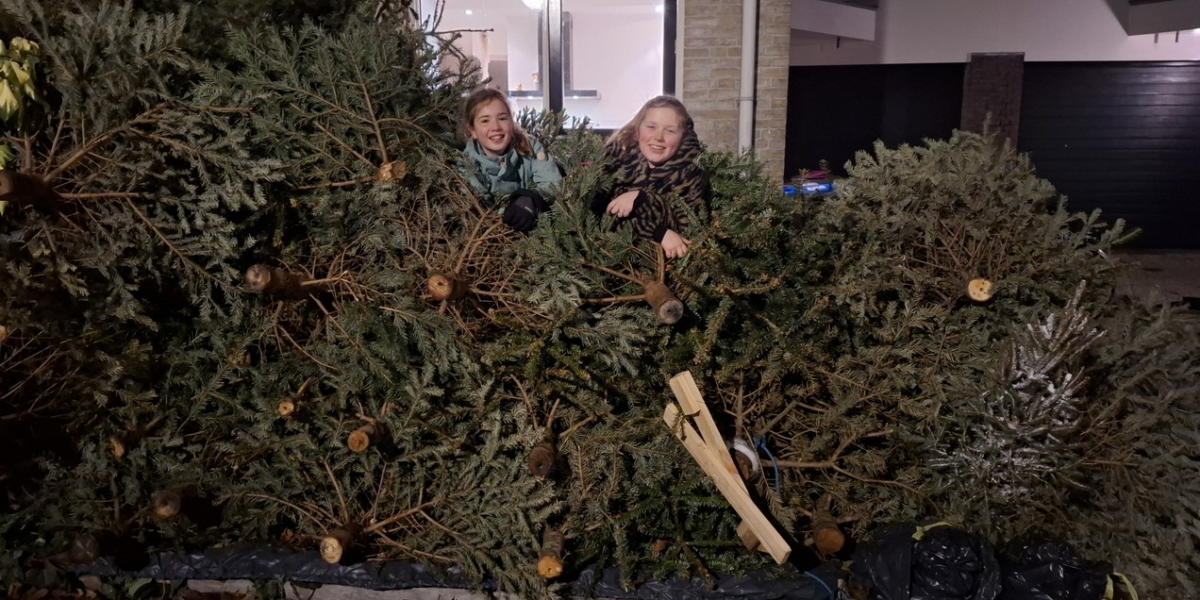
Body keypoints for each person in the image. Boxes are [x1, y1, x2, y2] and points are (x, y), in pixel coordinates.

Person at [592, 96, 707, 259]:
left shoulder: (689, 174)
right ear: (637, 131)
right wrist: (659, 233)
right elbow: (600, 222)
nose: (659, 137)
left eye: (670, 130)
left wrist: (643, 200)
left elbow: (687, 229)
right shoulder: (615, 165)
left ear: (682, 137)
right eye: (651, 127)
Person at [459, 88, 561, 233]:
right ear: (472, 130)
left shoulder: (530, 147)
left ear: (511, 121)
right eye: (485, 121)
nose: (495, 127)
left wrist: (530, 199)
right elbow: (479, 212)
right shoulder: (467, 165)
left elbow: (553, 184)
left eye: (502, 118)